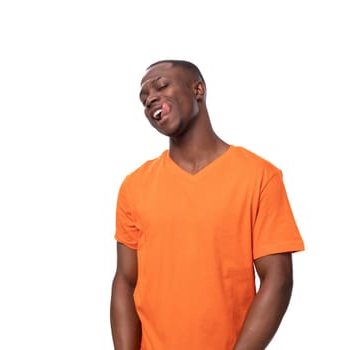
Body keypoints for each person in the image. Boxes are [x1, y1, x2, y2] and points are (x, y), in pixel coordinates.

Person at [110, 59, 305, 350]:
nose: (150, 97)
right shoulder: (134, 185)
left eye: (161, 85)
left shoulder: (259, 176)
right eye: (143, 98)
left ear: (198, 89)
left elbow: (278, 279)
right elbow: (125, 281)